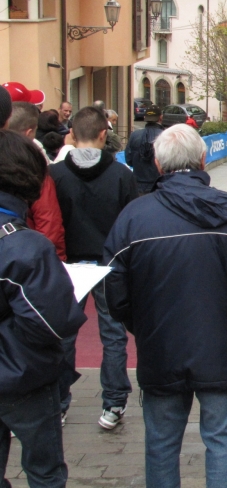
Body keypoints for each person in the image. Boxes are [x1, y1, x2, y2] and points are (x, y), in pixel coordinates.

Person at [104, 124, 227, 488]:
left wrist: (144, 326)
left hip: (160, 347)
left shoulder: (133, 218)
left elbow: (114, 291)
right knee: (222, 443)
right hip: (218, 349)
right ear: (202, 159)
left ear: (158, 163)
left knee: (162, 445)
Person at [0, 130, 86, 488]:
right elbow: (53, 322)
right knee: (45, 473)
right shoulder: (25, 247)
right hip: (24, 378)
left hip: (20, 370)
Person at [50, 106, 139, 430]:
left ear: (72, 134)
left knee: (61, 334)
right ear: (105, 134)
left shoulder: (55, 175)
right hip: (109, 264)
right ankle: (114, 403)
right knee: (113, 336)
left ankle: (58, 402)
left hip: (67, 264)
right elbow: (132, 224)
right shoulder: (122, 176)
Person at [7, 102, 67, 261]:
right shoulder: (35, 171)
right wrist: (56, 265)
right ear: (28, 133)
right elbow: (49, 228)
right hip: (25, 260)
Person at [126, 105, 164, 194]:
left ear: (144, 117)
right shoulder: (166, 136)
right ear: (161, 117)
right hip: (159, 186)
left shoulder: (134, 135)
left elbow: (129, 160)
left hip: (138, 186)